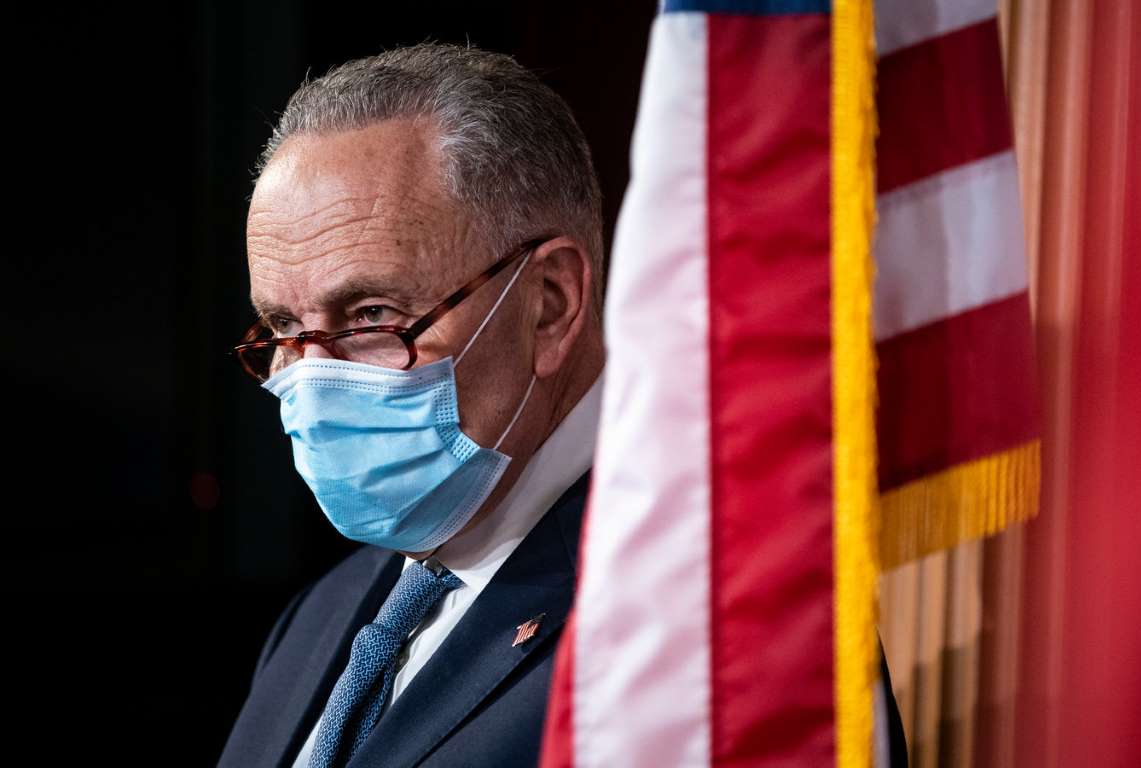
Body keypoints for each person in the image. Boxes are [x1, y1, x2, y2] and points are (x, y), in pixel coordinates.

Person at [217, 42, 906, 768]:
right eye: (284, 327)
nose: (314, 380)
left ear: (549, 304)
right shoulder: (324, 615)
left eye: (371, 315)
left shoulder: (728, 630)